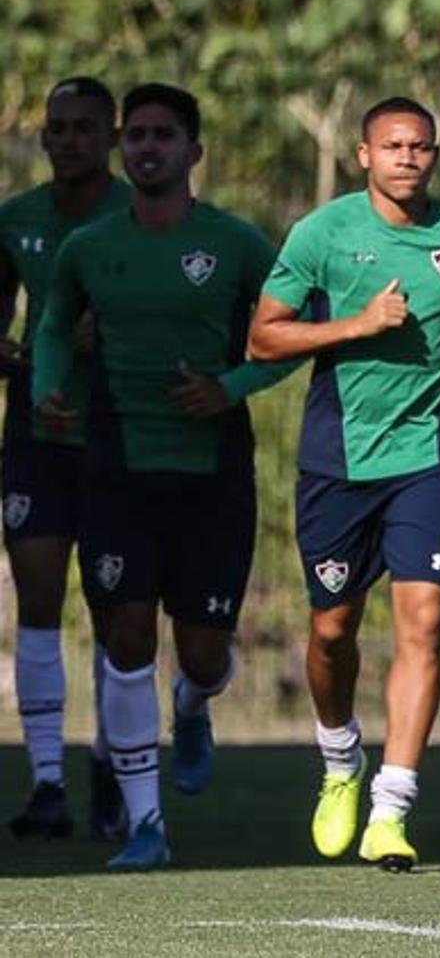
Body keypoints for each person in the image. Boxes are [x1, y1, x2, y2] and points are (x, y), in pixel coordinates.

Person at [32, 82, 294, 869]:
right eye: (137, 135)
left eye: (164, 136)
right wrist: (51, 386)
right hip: (115, 462)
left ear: (194, 152)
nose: (147, 147)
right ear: (125, 148)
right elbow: (51, 325)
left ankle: (194, 702)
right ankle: (146, 822)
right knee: (126, 632)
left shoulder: (238, 243)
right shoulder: (90, 248)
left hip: (212, 470)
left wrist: (231, 388)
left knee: (204, 651)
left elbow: (290, 335)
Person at [248, 97, 440, 872]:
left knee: (423, 625)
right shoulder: (324, 233)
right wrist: (355, 325)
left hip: (429, 457)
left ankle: (391, 807)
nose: (407, 158)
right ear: (364, 155)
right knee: (332, 632)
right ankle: (339, 760)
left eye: (420, 146)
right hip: (339, 463)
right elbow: (263, 338)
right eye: (392, 146)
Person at [1, 77, 132, 842]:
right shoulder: (16, 221)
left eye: (85, 127)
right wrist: (25, 355)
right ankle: (47, 781)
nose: (68, 139)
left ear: (112, 136)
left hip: (123, 433)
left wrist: (108, 338)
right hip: (38, 435)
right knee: (41, 598)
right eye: (56, 128)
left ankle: (114, 764)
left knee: (119, 611)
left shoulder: (140, 215)